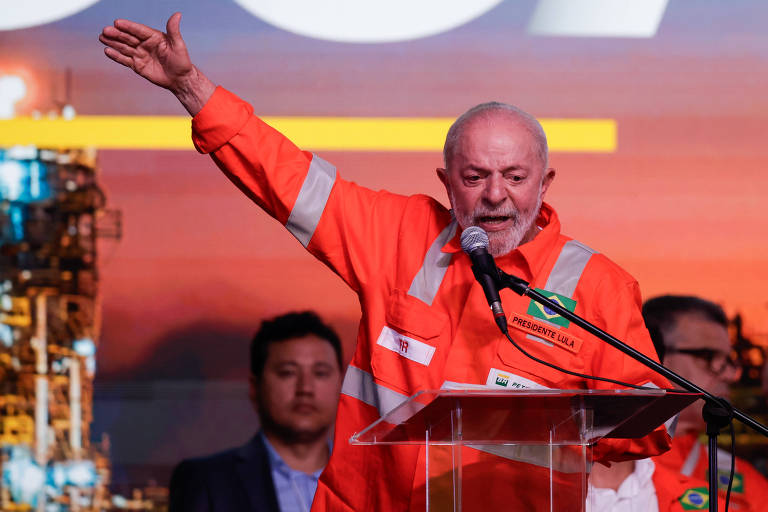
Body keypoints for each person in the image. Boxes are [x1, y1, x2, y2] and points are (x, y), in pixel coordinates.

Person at [100, 13, 673, 511]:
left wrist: (555, 419)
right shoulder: (397, 235)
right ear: (448, 184)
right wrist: (192, 87)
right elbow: (289, 181)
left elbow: (647, 423)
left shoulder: (599, 286)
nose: (495, 195)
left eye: (515, 177)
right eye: (475, 177)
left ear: (544, 183)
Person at [169, 311, 344, 512]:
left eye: (320, 373)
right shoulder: (207, 481)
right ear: (255, 387)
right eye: (288, 372)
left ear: (341, 386)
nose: (305, 388)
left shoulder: (374, 479)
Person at [643, 295, 768, 511]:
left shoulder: (742, 481)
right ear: (653, 354)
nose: (730, 374)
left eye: (729, 361)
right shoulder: (595, 467)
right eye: (709, 356)